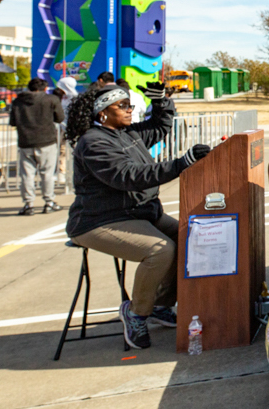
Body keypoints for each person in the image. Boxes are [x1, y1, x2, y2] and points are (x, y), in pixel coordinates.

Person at [65, 81, 212, 349]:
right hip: (100, 220)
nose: (130, 109)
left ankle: (159, 305)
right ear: (102, 113)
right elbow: (127, 176)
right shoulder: (93, 143)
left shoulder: (126, 133)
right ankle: (136, 313)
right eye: (122, 106)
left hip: (140, 213)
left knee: (189, 239)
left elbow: (160, 127)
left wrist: (161, 101)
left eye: (130, 104)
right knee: (161, 250)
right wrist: (182, 163)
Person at [10, 78, 65, 215]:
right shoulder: (51, 99)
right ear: (45, 88)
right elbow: (60, 117)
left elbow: (13, 121)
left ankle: (29, 204)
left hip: (25, 141)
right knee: (47, 173)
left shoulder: (18, 101)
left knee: (27, 175)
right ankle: (49, 202)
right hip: (47, 140)